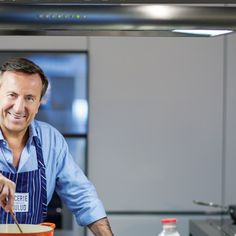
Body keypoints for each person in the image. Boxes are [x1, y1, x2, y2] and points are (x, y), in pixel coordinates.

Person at [0, 57, 113, 236]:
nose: (19, 107)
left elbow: (83, 197)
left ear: (39, 104)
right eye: (12, 95)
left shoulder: (51, 140)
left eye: (29, 98)